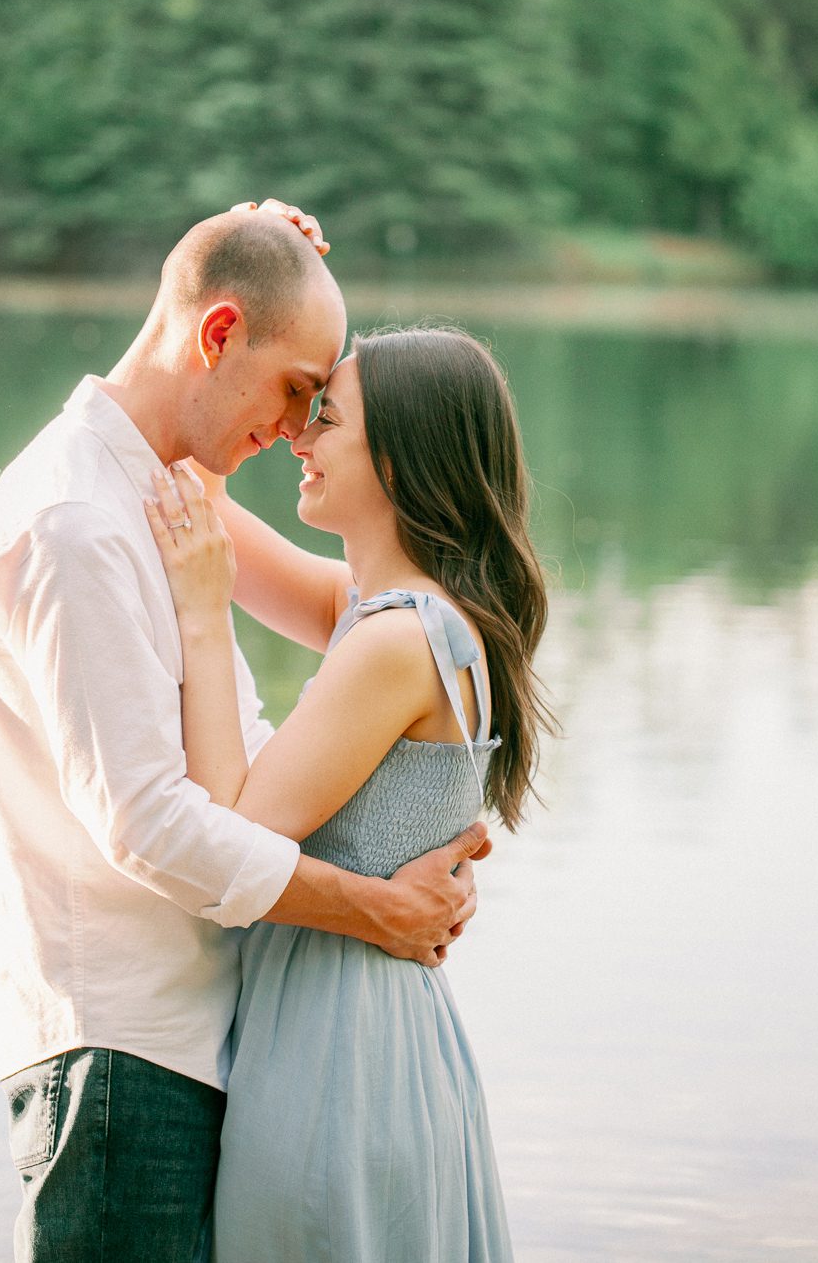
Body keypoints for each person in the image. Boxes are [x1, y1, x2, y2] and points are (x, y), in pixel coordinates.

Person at [0, 200, 491, 1263]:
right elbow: (151, 824)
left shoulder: (156, 497)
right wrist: (371, 906)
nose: (297, 427)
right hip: (118, 1057)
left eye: (319, 408)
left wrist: (245, 236)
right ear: (216, 337)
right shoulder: (76, 525)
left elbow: (341, 621)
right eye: (296, 392)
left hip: (194, 1045)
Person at [144, 324, 553, 1262]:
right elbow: (188, 491)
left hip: (337, 1058)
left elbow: (234, 833)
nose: (297, 435)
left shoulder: (396, 642)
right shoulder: (402, 616)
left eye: (325, 417)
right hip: (387, 1043)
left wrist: (204, 618)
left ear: (403, 459)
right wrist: (222, 322)